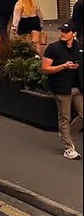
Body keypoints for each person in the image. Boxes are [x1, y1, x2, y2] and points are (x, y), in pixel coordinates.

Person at [41, 24, 83, 160]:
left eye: (66, 31)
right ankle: (68, 148)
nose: (63, 33)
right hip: (61, 88)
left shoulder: (80, 48)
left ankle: (65, 133)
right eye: (62, 31)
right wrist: (63, 66)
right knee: (64, 117)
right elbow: (46, 68)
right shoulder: (53, 48)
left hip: (77, 87)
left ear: (74, 33)